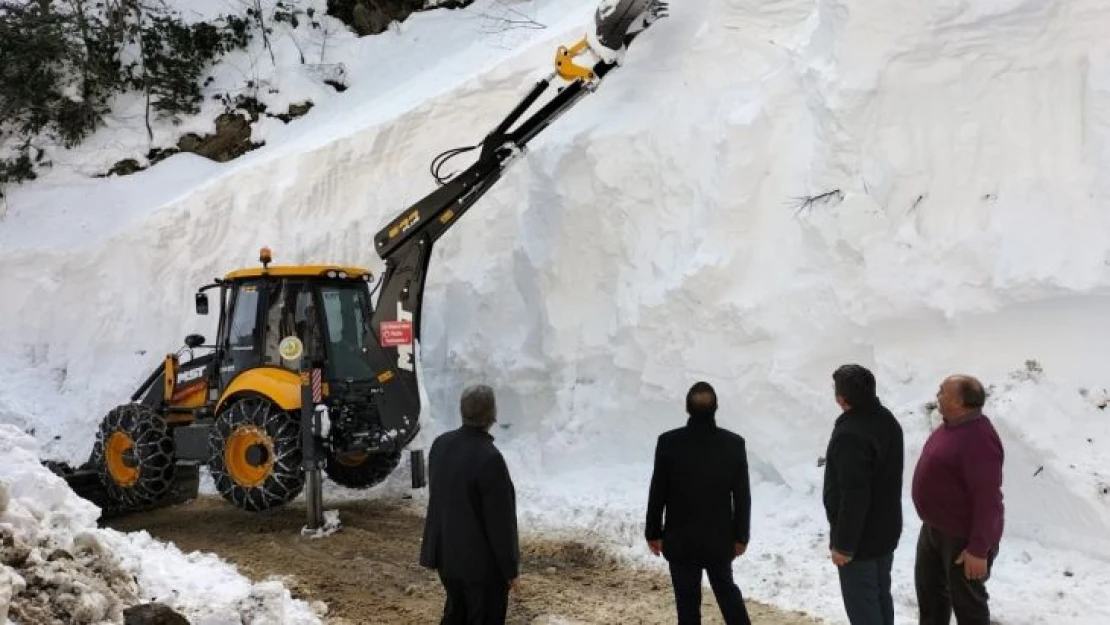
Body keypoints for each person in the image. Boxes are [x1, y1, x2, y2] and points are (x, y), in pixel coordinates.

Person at [645, 381, 752, 625]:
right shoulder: (734, 444)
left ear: (686, 408)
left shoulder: (668, 443)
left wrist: (653, 531)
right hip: (720, 540)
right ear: (716, 408)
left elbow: (658, 490)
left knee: (687, 605)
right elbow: (742, 496)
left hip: (680, 540)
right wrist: (741, 536)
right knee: (728, 594)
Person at [419, 383, 520, 624]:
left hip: (447, 558)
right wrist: (510, 570)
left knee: (455, 615)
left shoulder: (441, 445)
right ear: (493, 416)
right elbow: (500, 523)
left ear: (462, 411)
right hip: (481, 568)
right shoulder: (490, 458)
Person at [912, 374, 1004, 625]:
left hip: (962, 539)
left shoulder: (979, 440)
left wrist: (978, 548)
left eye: (942, 391)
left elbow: (988, 499)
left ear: (958, 402)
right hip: (934, 529)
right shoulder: (952, 425)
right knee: (931, 597)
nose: (937, 394)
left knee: (969, 607)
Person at [822, 364, 905, 625]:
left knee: (864, 608)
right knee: (880, 598)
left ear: (841, 398)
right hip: (885, 529)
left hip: (860, 540)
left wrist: (844, 544)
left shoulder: (850, 434)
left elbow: (854, 495)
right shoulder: (886, 419)